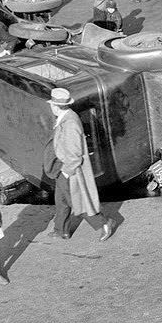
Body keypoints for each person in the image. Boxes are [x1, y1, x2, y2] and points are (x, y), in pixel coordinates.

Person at [44, 87, 114, 241]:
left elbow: (75, 154)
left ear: (55, 106)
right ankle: (61, 230)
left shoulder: (70, 123)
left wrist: (65, 172)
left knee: (76, 201)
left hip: (69, 169)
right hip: (62, 166)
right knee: (61, 199)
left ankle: (104, 222)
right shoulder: (66, 117)